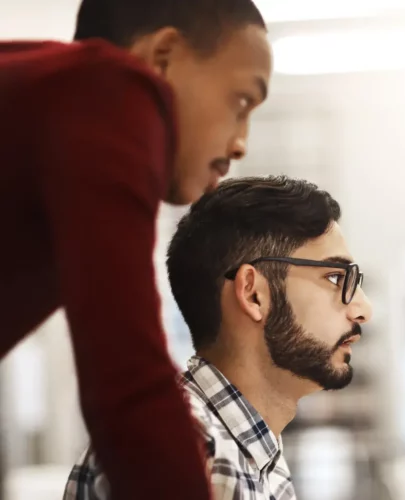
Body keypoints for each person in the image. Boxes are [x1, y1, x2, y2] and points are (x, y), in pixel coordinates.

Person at [0, 1, 271, 499]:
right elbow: (127, 388)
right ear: (162, 58)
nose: (241, 144)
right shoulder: (112, 89)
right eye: (241, 102)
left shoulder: (57, 102)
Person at [64, 175, 373, 499]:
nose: (363, 309)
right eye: (336, 277)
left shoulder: (252, 452)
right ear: (253, 294)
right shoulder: (182, 453)